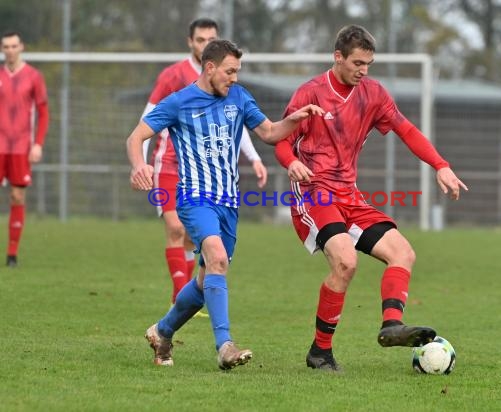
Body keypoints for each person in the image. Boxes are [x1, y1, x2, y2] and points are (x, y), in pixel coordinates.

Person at [275, 25, 468, 372]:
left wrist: (440, 165)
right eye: (358, 63)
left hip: (349, 194)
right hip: (314, 193)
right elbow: (281, 138)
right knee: (346, 263)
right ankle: (321, 351)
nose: (364, 70)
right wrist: (291, 163)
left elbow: (405, 130)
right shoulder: (310, 93)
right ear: (338, 58)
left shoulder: (373, 94)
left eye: (369, 64)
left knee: (403, 253)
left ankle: (391, 325)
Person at [127, 39, 324, 369]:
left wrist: (297, 118)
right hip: (194, 199)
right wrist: (138, 165)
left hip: (229, 204)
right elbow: (136, 137)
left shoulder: (240, 97)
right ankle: (225, 346)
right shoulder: (179, 102)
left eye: (237, 71)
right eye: (230, 71)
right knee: (216, 257)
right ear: (210, 68)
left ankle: (162, 332)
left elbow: (271, 132)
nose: (234, 78)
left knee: (207, 281)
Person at [141, 18, 268, 304]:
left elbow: (234, 124)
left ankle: (186, 296)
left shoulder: (226, 78)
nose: (204, 44)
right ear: (190, 42)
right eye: (200, 39)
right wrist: (143, 162)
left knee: (190, 238)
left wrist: (254, 157)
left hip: (204, 171)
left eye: (210, 39)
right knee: (175, 228)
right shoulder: (173, 76)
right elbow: (146, 121)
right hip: (169, 163)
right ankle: (179, 298)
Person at [0, 31, 49, 268]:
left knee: (17, 196)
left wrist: (37, 143)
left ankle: (11, 254)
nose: (9, 50)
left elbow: (43, 112)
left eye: (13, 46)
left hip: (20, 147)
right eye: (5, 46)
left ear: (21, 47)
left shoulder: (33, 76)